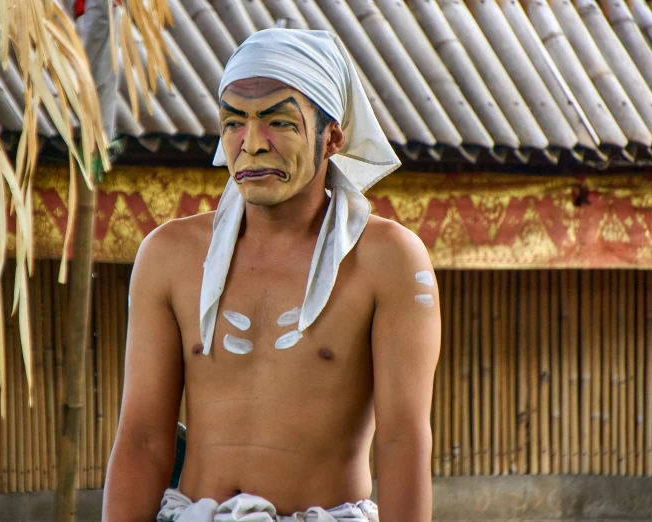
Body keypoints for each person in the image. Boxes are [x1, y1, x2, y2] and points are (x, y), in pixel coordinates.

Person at [103, 28, 441, 522]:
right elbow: (143, 438)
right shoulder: (169, 255)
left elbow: (402, 441)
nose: (252, 144)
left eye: (279, 122)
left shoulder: (389, 261)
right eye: (234, 122)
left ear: (332, 137)